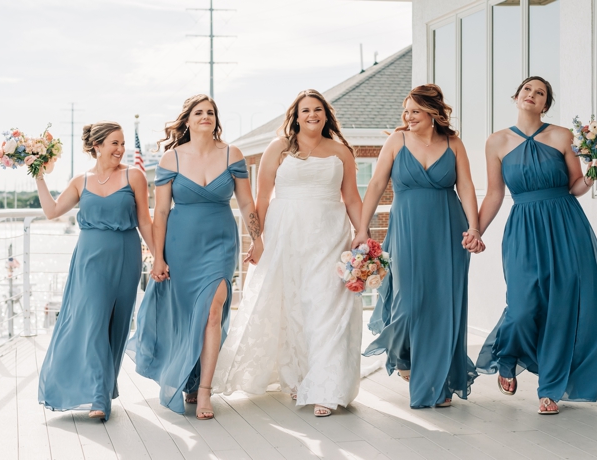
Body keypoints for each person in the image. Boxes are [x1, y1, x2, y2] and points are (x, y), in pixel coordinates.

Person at [213, 90, 364, 417]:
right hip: (286, 236)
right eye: (306, 110)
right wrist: (257, 239)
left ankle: (327, 387)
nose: (312, 115)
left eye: (318, 109)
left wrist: (363, 233)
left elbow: (352, 198)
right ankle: (297, 377)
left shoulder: (341, 152)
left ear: (326, 115)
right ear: (295, 116)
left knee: (327, 306)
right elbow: (261, 199)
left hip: (330, 236)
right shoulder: (278, 148)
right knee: (292, 305)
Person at [474, 76, 597, 415]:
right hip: (523, 227)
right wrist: (476, 229)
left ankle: (550, 389)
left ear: (546, 104)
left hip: (566, 224)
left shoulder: (563, 135)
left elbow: (575, 186)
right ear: (516, 96)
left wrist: (594, 173)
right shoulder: (496, 142)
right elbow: (494, 193)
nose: (532, 95)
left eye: (540, 93)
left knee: (561, 308)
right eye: (527, 90)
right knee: (521, 306)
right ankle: (507, 356)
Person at [127, 94, 262, 420]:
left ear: (217, 119)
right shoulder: (171, 158)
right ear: (187, 120)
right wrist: (157, 257)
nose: (206, 117)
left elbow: (246, 203)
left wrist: (259, 238)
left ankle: (204, 390)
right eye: (199, 112)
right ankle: (187, 377)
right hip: (180, 243)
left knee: (213, 310)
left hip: (219, 242)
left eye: (211, 112)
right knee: (187, 315)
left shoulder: (232, 153)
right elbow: (160, 211)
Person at [357, 84, 483, 408]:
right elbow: (375, 184)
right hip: (406, 229)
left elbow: (466, 185)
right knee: (407, 303)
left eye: (415, 111)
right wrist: (362, 227)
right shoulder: (396, 140)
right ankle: (404, 357)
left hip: (448, 230)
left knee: (443, 306)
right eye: (406, 111)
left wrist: (474, 227)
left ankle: (438, 384)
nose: (408, 117)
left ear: (432, 114)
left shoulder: (453, 143)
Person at [37, 121, 154, 420]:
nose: (121, 149)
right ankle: (100, 398)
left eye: (123, 143)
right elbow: (51, 212)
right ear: (97, 146)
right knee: (92, 323)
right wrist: (38, 175)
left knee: (115, 326)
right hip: (89, 260)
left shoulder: (134, 175)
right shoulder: (81, 181)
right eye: (114, 143)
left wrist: (159, 259)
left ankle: (102, 389)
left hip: (126, 257)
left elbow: (145, 221)